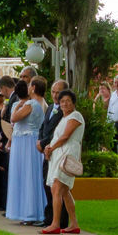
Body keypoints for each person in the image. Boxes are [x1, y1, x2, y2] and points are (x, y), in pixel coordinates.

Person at [6, 77, 49, 223]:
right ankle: (31, 211)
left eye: (30, 85)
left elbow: (14, 118)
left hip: (26, 142)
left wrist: (17, 106)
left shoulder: (30, 103)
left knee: (27, 175)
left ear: (34, 87)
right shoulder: (42, 104)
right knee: (29, 175)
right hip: (28, 140)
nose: (28, 87)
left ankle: (30, 212)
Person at [43, 88, 85, 235]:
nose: (65, 104)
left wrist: (52, 147)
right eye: (62, 101)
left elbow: (65, 136)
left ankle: (55, 223)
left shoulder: (76, 116)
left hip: (67, 154)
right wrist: (49, 149)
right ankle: (73, 223)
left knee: (57, 188)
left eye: (68, 101)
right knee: (65, 190)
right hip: (58, 154)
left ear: (73, 103)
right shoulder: (63, 118)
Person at [37, 79, 68, 227]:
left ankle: (61, 220)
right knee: (46, 183)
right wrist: (39, 141)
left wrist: (45, 143)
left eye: (58, 92)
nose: (55, 95)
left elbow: (58, 132)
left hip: (56, 150)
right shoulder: (50, 108)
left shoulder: (65, 111)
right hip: (46, 151)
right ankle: (49, 217)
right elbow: (43, 127)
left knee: (57, 186)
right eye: (53, 92)